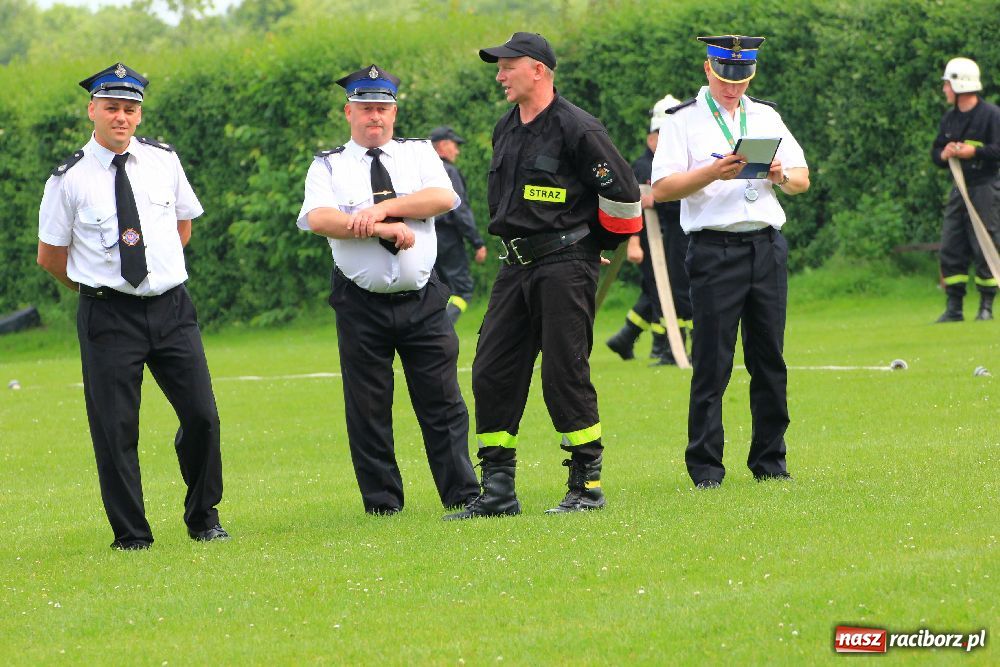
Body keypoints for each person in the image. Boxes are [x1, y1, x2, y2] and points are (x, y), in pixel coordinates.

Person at [445, 33, 641, 519]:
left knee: (564, 371)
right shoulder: (505, 127)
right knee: (491, 369)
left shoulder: (578, 128)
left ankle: (586, 485)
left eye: (506, 66)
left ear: (537, 69)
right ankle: (497, 491)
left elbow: (625, 199)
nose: (499, 75)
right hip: (515, 267)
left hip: (564, 266)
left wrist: (597, 245)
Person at [36, 63, 227, 550]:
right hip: (108, 315)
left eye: (130, 108)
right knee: (116, 428)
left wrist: (158, 271)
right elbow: (51, 257)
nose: (121, 117)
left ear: (139, 114)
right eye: (112, 108)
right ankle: (132, 534)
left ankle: (204, 518)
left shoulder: (164, 161)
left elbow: (182, 226)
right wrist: (94, 290)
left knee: (202, 416)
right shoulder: (68, 179)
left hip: (171, 308)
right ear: (92, 112)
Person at [296, 64, 480, 515]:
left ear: (393, 113)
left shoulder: (419, 155)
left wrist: (381, 212)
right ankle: (383, 506)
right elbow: (319, 218)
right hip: (361, 303)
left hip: (422, 299)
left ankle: (463, 494)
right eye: (365, 109)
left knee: (443, 403)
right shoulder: (329, 164)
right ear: (348, 112)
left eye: (382, 108)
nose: (374, 116)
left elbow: (442, 199)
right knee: (368, 409)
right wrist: (376, 228)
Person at [651, 35, 810, 489]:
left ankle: (770, 462)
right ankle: (705, 469)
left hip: (766, 246)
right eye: (725, 79)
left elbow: (802, 178)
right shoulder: (681, 121)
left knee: (769, 360)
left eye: (741, 80)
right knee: (712, 362)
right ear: (708, 69)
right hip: (714, 249)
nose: (733, 88)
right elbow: (661, 188)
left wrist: (780, 175)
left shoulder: (766, 115)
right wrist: (710, 173)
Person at [606, 93, 693, 366]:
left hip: (680, 233)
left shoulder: (683, 159)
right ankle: (663, 346)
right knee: (662, 292)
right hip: (655, 238)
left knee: (667, 291)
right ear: (651, 137)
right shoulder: (645, 165)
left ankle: (636, 339)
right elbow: (635, 203)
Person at [931, 57, 1000, 322]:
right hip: (959, 190)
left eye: (947, 84)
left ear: (959, 84)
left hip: (986, 188)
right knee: (951, 245)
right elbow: (935, 154)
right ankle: (954, 308)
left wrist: (975, 152)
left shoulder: (991, 115)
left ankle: (986, 307)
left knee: (985, 243)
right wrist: (945, 153)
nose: (945, 89)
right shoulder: (949, 119)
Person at [429, 126, 487, 323]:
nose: (458, 151)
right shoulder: (449, 172)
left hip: (425, 238)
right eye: (455, 145)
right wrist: (477, 242)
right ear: (443, 146)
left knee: (435, 291)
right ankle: (439, 331)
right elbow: (459, 211)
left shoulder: (422, 171)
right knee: (462, 291)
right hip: (448, 238)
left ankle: (427, 332)